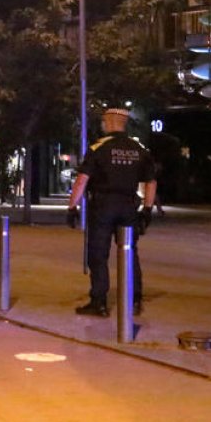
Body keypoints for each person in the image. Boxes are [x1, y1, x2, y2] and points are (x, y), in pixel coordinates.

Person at [66, 108, 157, 317]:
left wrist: (72, 207)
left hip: (103, 206)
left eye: (104, 121)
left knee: (98, 254)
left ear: (109, 122)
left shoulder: (99, 147)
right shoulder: (139, 149)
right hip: (128, 205)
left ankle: (99, 302)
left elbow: (82, 180)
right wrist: (148, 210)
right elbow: (151, 182)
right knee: (129, 251)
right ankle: (134, 300)